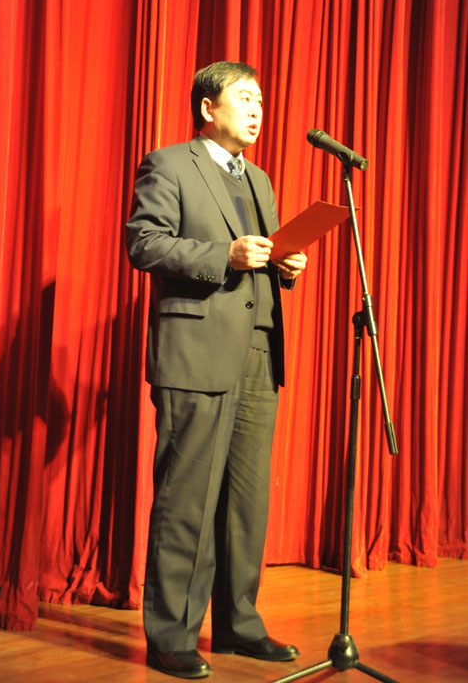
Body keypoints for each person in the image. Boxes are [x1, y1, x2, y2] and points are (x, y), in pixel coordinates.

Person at [126, 61, 307, 679]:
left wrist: (283, 264)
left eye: (261, 100)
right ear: (208, 107)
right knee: (188, 497)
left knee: (246, 500)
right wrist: (223, 255)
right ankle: (172, 634)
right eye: (245, 98)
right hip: (196, 350)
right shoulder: (169, 164)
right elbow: (144, 243)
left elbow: (260, 256)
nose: (257, 109)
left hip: (257, 350)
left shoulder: (259, 179)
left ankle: (238, 624)